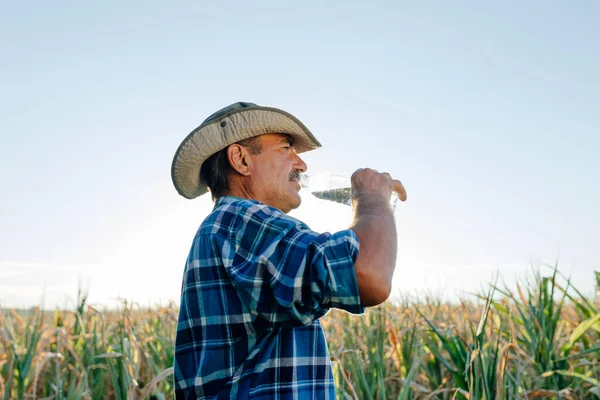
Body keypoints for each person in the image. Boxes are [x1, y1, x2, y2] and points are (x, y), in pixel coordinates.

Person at [171, 102, 407, 399]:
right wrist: (372, 201)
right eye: (285, 148)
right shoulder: (239, 220)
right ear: (240, 159)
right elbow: (368, 275)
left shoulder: (223, 228)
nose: (301, 164)